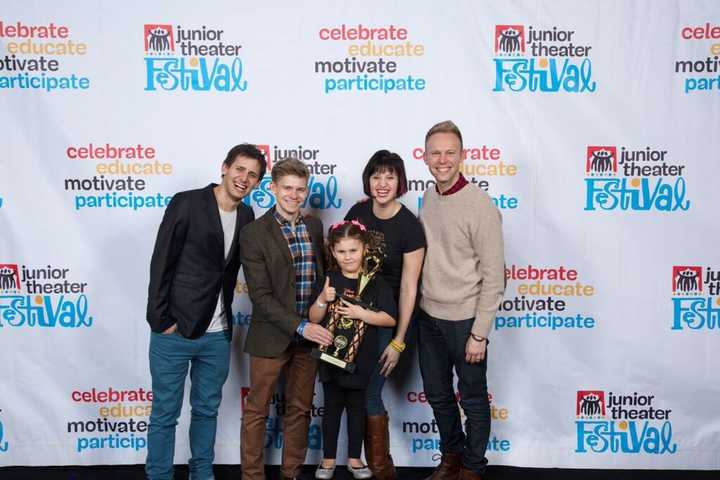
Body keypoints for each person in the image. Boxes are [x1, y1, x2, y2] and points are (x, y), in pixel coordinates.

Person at [145, 143, 266, 480]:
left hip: (217, 335)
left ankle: (202, 473)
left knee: (206, 412)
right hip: (175, 331)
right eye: (240, 169)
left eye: (252, 175)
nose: (244, 178)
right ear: (224, 168)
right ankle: (159, 475)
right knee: (165, 414)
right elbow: (161, 262)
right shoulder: (187, 203)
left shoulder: (247, 216)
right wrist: (161, 320)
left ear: (257, 183)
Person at [418, 121, 505, 480]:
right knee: (438, 397)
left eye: (450, 152)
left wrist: (479, 333)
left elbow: (495, 275)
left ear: (462, 156)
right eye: (435, 152)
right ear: (425, 157)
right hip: (428, 316)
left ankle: (472, 467)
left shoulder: (480, 205)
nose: (442, 160)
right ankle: (451, 458)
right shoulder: (428, 196)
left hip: (466, 320)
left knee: (472, 399)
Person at [239, 157, 334, 480]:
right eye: (288, 188)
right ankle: (252, 477)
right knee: (256, 411)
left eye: (300, 189)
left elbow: (322, 281)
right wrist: (301, 325)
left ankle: (290, 474)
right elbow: (260, 296)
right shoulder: (254, 233)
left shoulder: (314, 226)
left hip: (308, 341)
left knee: (300, 410)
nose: (294, 195)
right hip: (271, 337)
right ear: (274, 188)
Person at [343, 150, 425, 479]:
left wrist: (399, 342)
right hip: (352, 315)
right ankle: (356, 462)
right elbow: (342, 263)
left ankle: (382, 470)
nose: (382, 183)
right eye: (377, 176)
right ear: (369, 180)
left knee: (370, 392)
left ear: (399, 182)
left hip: (385, 322)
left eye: (390, 176)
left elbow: (409, 288)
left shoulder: (409, 227)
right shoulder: (357, 212)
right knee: (351, 389)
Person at [310, 220, 397, 480]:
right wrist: (322, 300)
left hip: (361, 359)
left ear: (364, 250)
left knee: (357, 409)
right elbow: (314, 318)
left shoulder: (376, 283)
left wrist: (362, 313)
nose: (348, 257)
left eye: (353, 250)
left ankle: (354, 459)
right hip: (330, 358)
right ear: (333, 252)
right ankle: (327, 460)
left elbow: (390, 318)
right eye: (342, 251)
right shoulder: (329, 280)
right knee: (332, 407)